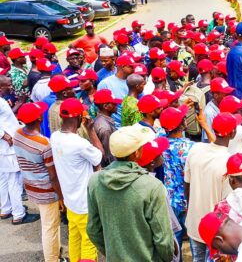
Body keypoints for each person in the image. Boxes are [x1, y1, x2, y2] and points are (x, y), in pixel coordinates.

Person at [87, 124, 176, 261]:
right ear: (136, 153)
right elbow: (163, 239)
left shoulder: (95, 181)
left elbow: (93, 230)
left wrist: (114, 252)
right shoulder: (152, 186)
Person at [50, 98, 103, 262]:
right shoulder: (79, 143)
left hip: (70, 200)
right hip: (84, 204)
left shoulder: (55, 137)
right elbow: (99, 156)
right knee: (89, 242)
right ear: (79, 117)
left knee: (74, 238)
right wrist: (91, 130)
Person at [13, 102, 65, 260]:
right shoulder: (44, 144)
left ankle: (56, 251)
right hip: (46, 190)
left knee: (50, 224)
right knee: (50, 227)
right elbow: (53, 175)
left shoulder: (17, 134)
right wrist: (61, 197)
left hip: (30, 185)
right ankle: (52, 259)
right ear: (38, 118)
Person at [185, 112, 237, 261]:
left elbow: (187, 185)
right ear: (233, 133)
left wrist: (191, 209)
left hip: (194, 223)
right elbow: (228, 204)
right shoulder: (229, 162)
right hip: (216, 231)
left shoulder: (195, 149)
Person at [0, 76, 40, 225]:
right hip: (7, 148)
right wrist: (3, 135)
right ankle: (18, 214)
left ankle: (6, 209)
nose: (11, 87)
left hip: (4, 149)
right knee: (14, 181)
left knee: (3, 179)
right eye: (8, 85)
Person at [159, 105, 195, 259]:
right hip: (189, 200)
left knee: (175, 243)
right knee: (195, 242)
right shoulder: (191, 148)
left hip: (169, 200)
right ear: (182, 125)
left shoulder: (159, 144)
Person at [98, 55, 135, 127]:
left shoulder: (135, 82)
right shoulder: (105, 83)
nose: (134, 69)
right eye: (131, 67)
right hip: (114, 128)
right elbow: (100, 108)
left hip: (133, 127)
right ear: (123, 67)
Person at [93, 89, 122, 167]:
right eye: (114, 104)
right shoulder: (105, 128)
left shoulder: (101, 120)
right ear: (106, 106)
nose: (117, 105)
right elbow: (109, 157)